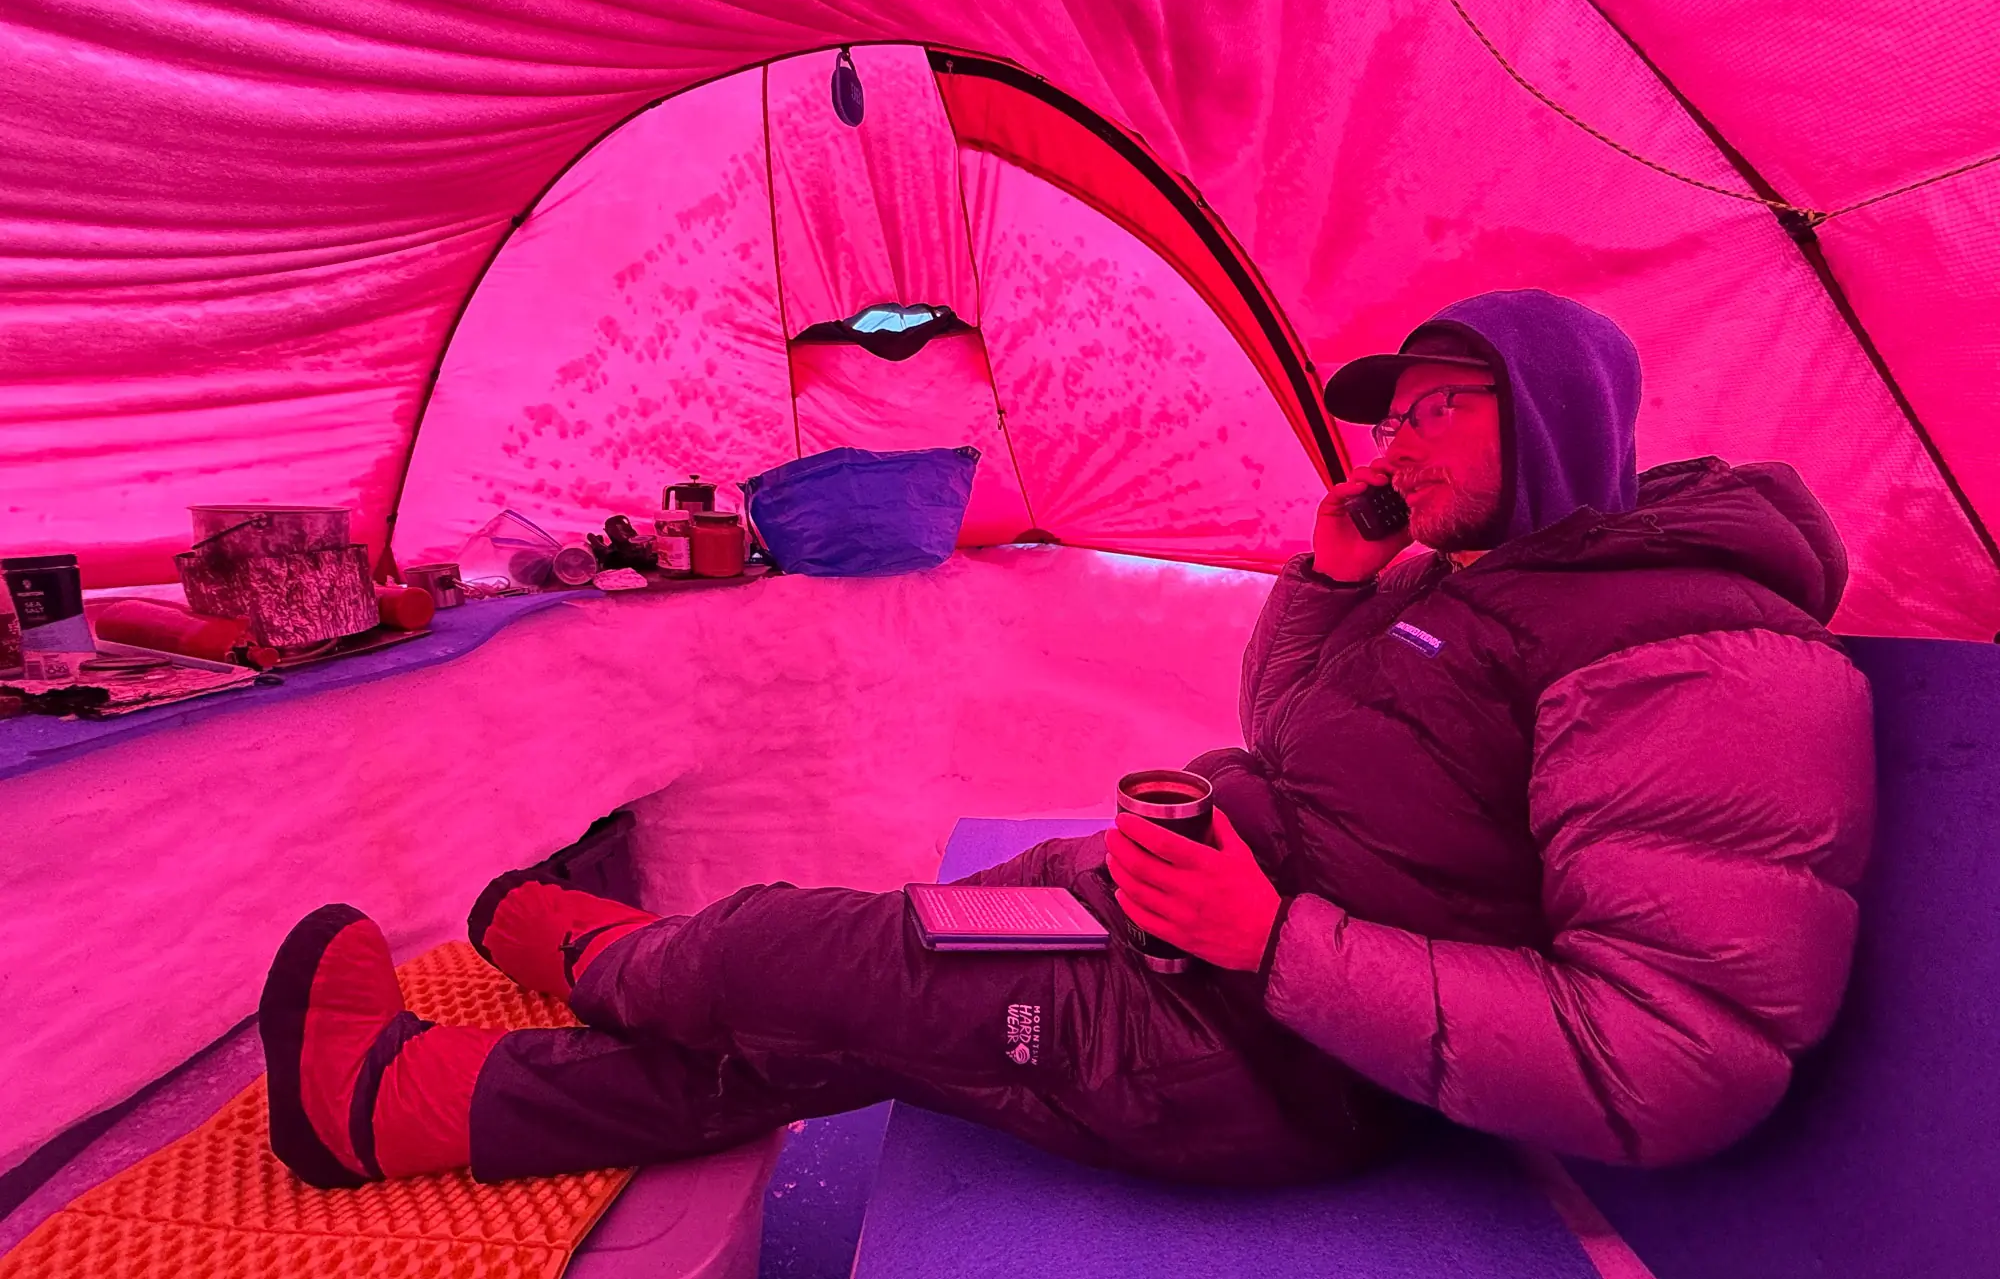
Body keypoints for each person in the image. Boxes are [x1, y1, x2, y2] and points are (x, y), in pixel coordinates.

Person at [260, 288, 1873, 1192]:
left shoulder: (1698, 657)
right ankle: (419, 1101)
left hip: (1265, 1059)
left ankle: (597, 972)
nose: (1394, 437)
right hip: (1189, 935)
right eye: (1393, 409)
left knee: (798, 957)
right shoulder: (1494, 582)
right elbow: (1294, 738)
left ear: (1561, 420)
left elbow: (1670, 1059)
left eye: (1439, 403)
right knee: (838, 1020)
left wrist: (1278, 941)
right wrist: (1329, 581)